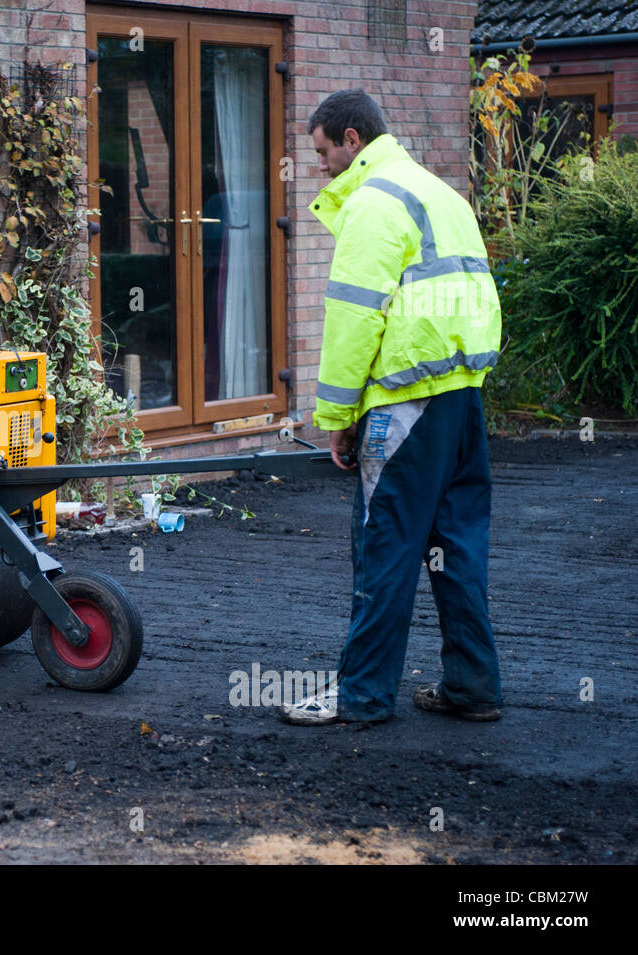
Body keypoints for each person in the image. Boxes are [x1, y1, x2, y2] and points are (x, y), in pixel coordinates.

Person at [280, 89, 503, 725]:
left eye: (322, 151)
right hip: (462, 399)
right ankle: (472, 686)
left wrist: (338, 420)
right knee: (458, 545)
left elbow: (354, 319)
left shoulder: (374, 204)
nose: (319, 166)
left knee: (386, 547)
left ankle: (362, 696)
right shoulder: (442, 195)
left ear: (353, 140)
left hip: (404, 406)